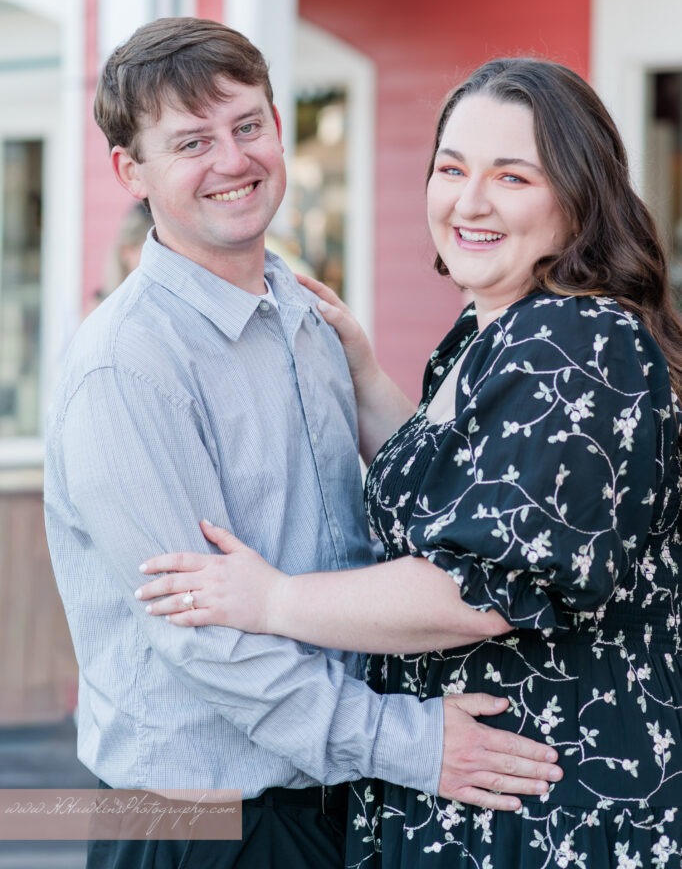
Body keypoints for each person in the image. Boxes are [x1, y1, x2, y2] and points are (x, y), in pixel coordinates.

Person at [135, 57, 682, 867]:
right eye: (452, 169)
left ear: (579, 195)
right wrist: (362, 374)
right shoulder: (491, 333)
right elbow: (462, 497)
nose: (470, 201)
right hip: (476, 792)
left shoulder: (577, 341)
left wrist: (273, 599)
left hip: (550, 804)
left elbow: (480, 588)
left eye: (513, 177)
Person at [43, 24, 561, 869]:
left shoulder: (305, 315)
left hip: (335, 795)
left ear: (279, 129)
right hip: (203, 826)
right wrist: (412, 742)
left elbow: (377, 529)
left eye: (248, 125)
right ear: (131, 172)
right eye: (191, 143)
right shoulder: (127, 368)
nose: (233, 159)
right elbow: (205, 641)